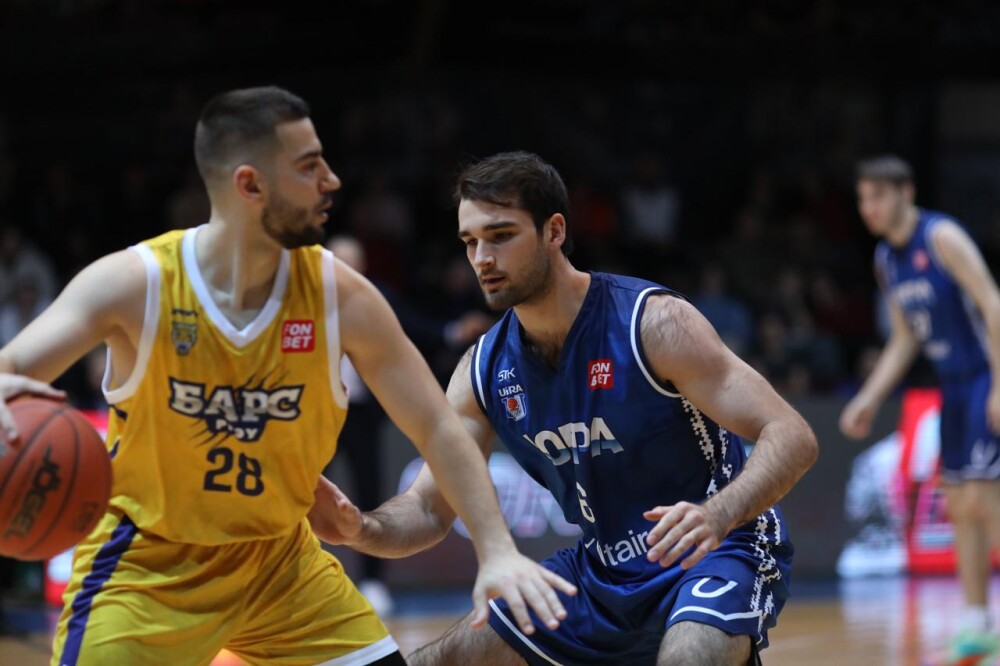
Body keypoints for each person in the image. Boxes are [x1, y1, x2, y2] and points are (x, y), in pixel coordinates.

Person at [0, 88, 575, 666]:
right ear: (250, 185)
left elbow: (437, 426)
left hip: (280, 568)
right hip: (148, 567)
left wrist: (497, 551)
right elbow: (13, 366)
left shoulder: (339, 296)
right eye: (308, 166)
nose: (331, 180)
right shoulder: (136, 283)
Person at [309, 151, 819, 665]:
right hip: (601, 573)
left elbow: (792, 434)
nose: (482, 257)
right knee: (437, 660)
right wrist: (361, 529)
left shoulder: (653, 324)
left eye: (501, 235)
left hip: (717, 548)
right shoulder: (483, 370)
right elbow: (427, 507)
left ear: (554, 231)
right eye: (470, 242)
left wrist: (718, 514)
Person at [840, 154, 1000, 664]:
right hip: (951, 387)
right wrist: (868, 396)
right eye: (862, 199)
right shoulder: (886, 260)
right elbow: (905, 338)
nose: (869, 207)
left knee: (985, 498)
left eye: (877, 196)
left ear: (905, 193)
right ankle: (977, 622)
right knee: (959, 504)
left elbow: (994, 304)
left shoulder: (941, 237)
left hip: (985, 375)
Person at [323, 234, 491, 616]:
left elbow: (413, 329)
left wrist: (452, 331)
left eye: (354, 263)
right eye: (340, 263)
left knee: (368, 493)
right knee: (303, 494)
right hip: (318, 413)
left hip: (361, 414)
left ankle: (373, 583)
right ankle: (294, 578)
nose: (347, 270)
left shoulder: (372, 298)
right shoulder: (305, 298)